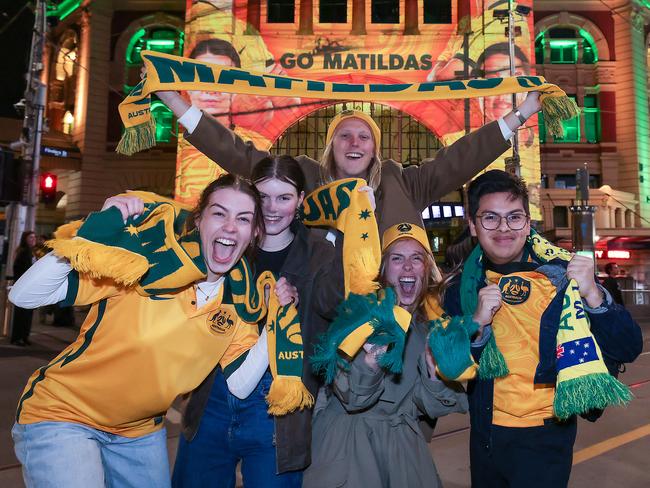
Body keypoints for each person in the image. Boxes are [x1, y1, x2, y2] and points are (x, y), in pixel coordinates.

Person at [9, 174, 267, 488]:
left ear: (253, 233)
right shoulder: (143, 261)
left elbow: (240, 385)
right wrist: (90, 238)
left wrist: (279, 320)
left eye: (243, 219)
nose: (229, 226)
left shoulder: (241, 304)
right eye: (219, 213)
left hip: (138, 433)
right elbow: (23, 296)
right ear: (199, 220)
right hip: (64, 413)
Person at [442, 170, 643, 488]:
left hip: (545, 438)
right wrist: (477, 324)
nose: (504, 228)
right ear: (473, 224)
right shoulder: (461, 289)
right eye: (490, 218)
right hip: (486, 435)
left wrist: (592, 293)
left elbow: (628, 346)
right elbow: (450, 369)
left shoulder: (563, 275)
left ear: (528, 221)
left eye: (514, 217)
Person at [154, 80, 542, 235]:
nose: (354, 142)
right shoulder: (303, 176)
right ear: (331, 144)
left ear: (374, 148)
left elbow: (461, 158)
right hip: (312, 309)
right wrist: (178, 106)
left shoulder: (403, 182)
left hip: (387, 311)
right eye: (344, 135)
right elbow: (241, 157)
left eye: (364, 136)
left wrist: (521, 113)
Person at [172, 156, 343, 487]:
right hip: (213, 393)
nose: (272, 208)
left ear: (301, 201)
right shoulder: (227, 241)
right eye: (262, 197)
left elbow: (335, 311)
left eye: (284, 197)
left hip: (279, 407)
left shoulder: (321, 252)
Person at [303, 222, 468, 488]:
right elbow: (352, 399)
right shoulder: (357, 317)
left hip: (402, 447)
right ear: (382, 270)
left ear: (426, 269)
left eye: (417, 258)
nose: (407, 267)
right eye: (397, 258)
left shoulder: (431, 328)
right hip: (349, 445)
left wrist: (435, 375)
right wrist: (370, 362)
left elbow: (433, 407)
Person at [10, 231, 37, 346]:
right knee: (21, 314)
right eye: (30, 237)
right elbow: (20, 270)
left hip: (30, 287)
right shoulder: (23, 252)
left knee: (28, 313)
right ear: (25, 239)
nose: (33, 239)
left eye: (34, 237)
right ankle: (17, 338)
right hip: (23, 287)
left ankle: (25, 336)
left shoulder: (31, 252)